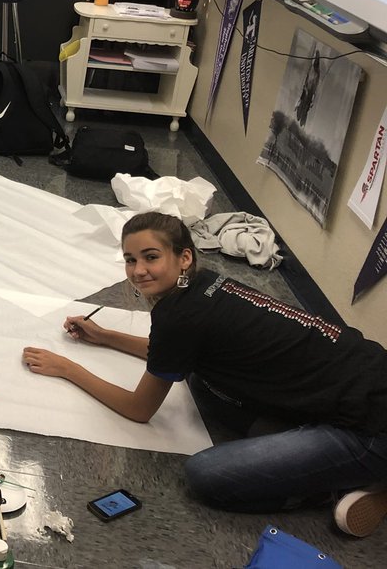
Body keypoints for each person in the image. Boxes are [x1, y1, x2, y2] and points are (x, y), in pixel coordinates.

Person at [22, 211, 387, 537]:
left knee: (207, 475)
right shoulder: (204, 283)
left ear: (184, 258)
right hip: (362, 379)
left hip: (370, 428)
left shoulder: (180, 316)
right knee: (201, 380)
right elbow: (175, 353)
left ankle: (335, 485)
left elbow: (138, 409)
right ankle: (313, 452)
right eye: (130, 260)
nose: (138, 271)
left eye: (151, 257)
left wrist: (67, 368)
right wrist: (105, 337)